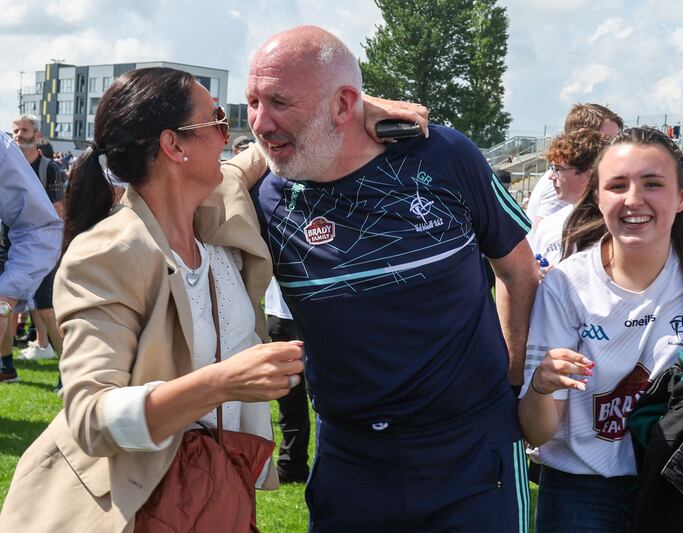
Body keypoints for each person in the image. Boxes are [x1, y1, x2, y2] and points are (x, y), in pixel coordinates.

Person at [0, 66, 427, 530]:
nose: (230, 134)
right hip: (133, 505)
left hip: (212, 491)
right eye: (218, 120)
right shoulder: (107, 253)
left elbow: (260, 151)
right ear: (174, 145)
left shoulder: (211, 212)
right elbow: (92, 417)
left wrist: (350, 110)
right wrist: (220, 382)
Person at [249, 26, 537, 531]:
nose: (258, 120)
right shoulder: (267, 197)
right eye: (251, 101)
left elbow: (516, 269)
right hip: (351, 459)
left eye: (278, 101)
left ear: (342, 105)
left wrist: (514, 378)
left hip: (470, 450)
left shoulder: (444, 155)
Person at [518, 127, 683, 532]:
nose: (633, 199)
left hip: (677, 484)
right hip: (579, 491)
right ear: (597, 197)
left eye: (652, 183)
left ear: (682, 196)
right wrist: (541, 386)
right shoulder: (565, 285)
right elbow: (536, 430)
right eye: (617, 185)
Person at [0, 132, 62, 383]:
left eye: (25, 129)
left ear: (37, 136)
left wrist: (5, 298)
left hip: (27, 256)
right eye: (17, 129)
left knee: (46, 311)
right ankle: (6, 366)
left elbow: (47, 219)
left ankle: (71, 372)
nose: (19, 134)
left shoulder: (51, 168)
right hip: (15, 253)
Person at [525, 103, 622, 233]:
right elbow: (545, 235)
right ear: (582, 135)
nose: (614, 147)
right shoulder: (565, 181)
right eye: (608, 139)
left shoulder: (567, 175)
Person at [527, 129, 608, 270]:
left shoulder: (613, 225)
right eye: (552, 168)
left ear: (589, 174)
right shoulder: (548, 225)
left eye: (557, 169)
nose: (551, 176)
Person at [264, 278, 310, 484]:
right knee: (286, 392)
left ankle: (336, 464)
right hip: (277, 312)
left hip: (310, 308)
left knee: (321, 393)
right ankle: (291, 464)